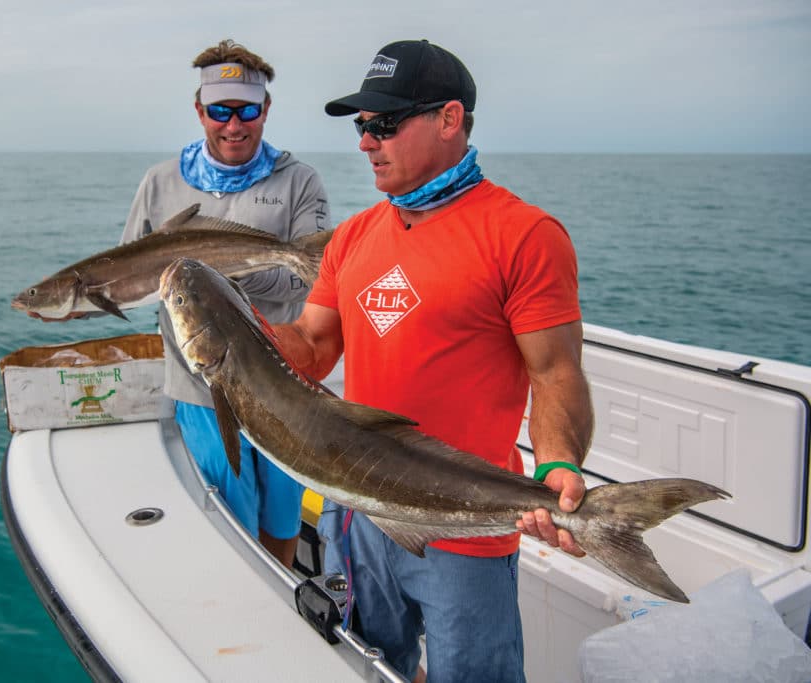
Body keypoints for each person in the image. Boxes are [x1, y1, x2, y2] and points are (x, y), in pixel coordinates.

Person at [270, 40, 593, 682]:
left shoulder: (524, 234)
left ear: (449, 120)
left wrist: (557, 461)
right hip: (358, 510)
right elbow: (310, 348)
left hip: (463, 527)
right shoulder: (354, 236)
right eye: (363, 127)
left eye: (384, 124)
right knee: (366, 664)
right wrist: (226, 324)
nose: (366, 142)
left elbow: (555, 374)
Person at [120, 39, 331, 567]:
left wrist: (209, 276)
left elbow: (310, 281)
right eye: (220, 111)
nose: (233, 125)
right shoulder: (159, 184)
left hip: (280, 384)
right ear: (200, 110)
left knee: (283, 518)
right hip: (199, 385)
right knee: (229, 518)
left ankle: (281, 599)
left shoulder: (299, 181)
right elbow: (131, 274)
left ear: (265, 110)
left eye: (246, 111)